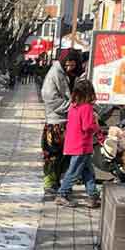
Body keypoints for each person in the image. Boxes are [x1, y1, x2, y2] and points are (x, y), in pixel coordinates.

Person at [57, 80, 104, 208]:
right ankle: (62, 194)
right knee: (74, 172)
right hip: (81, 145)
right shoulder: (87, 108)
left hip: (73, 143)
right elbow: (87, 126)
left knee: (87, 171)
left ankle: (93, 195)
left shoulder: (73, 106)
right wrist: (96, 125)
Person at [41, 51, 81, 194]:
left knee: (63, 156)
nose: (70, 66)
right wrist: (71, 106)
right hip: (55, 123)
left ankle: (56, 181)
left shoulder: (69, 75)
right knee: (52, 154)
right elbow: (50, 98)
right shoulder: (55, 74)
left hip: (67, 122)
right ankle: (49, 182)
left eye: (73, 64)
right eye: (68, 63)